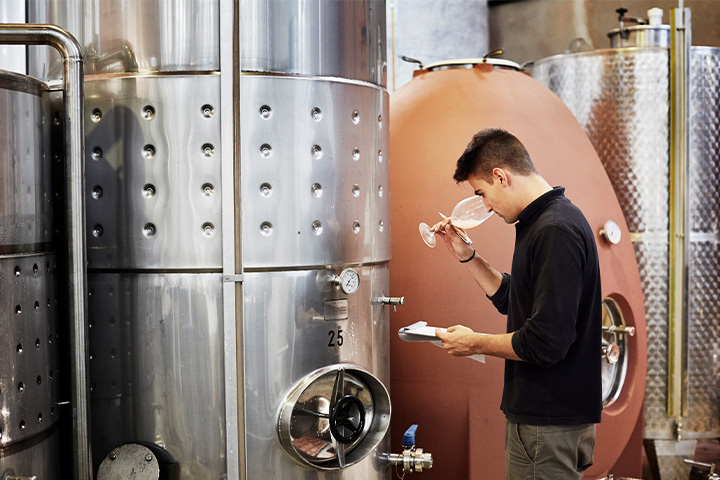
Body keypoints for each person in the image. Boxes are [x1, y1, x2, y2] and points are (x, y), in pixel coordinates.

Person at [431, 127, 602, 480]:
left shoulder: (554, 230)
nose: (486, 207)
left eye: (482, 193)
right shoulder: (542, 221)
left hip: (547, 422)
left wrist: (473, 343)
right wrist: (468, 257)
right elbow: (516, 299)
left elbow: (545, 343)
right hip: (551, 420)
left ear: (500, 176)